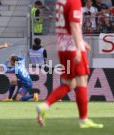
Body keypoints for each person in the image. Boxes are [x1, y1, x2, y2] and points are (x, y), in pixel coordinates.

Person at [36, 0, 103, 128]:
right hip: (72, 48)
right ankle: (83, 120)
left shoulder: (60, 1)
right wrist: (79, 47)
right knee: (82, 80)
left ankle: (44, 106)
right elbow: (74, 26)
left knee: (69, 83)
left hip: (62, 47)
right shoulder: (74, 1)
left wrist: (82, 42)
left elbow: (67, 25)